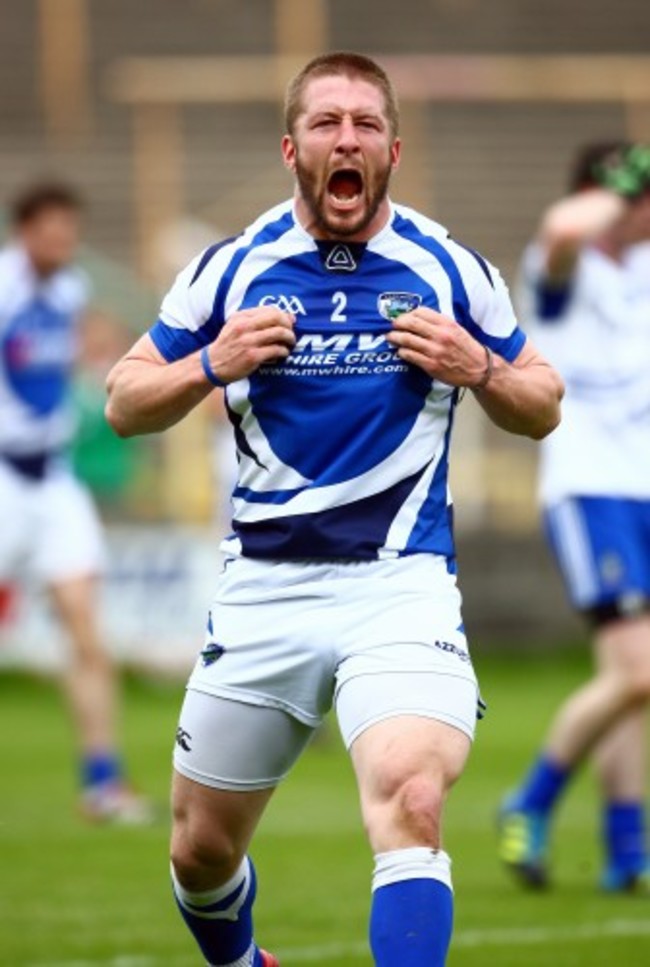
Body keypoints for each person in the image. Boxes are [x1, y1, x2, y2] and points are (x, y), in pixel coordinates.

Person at [105, 52, 562, 967]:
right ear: (291, 147)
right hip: (264, 590)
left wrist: (482, 369)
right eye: (325, 122)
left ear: (392, 148)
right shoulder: (230, 270)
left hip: (400, 585)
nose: (344, 138)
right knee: (199, 852)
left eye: (362, 123)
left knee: (412, 799)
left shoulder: (448, 268)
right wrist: (210, 363)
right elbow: (124, 399)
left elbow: (543, 402)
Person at [498, 142, 650, 892]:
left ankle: (627, 848)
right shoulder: (561, 266)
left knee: (630, 680)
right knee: (640, 671)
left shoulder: (644, 269)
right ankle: (529, 799)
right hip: (592, 488)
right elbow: (563, 230)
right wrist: (620, 188)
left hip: (644, 487)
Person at [0, 181, 151, 823]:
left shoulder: (68, 291)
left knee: (87, 630)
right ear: (26, 230)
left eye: (71, 229)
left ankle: (103, 781)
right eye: (53, 230)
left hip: (53, 480)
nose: (64, 242)